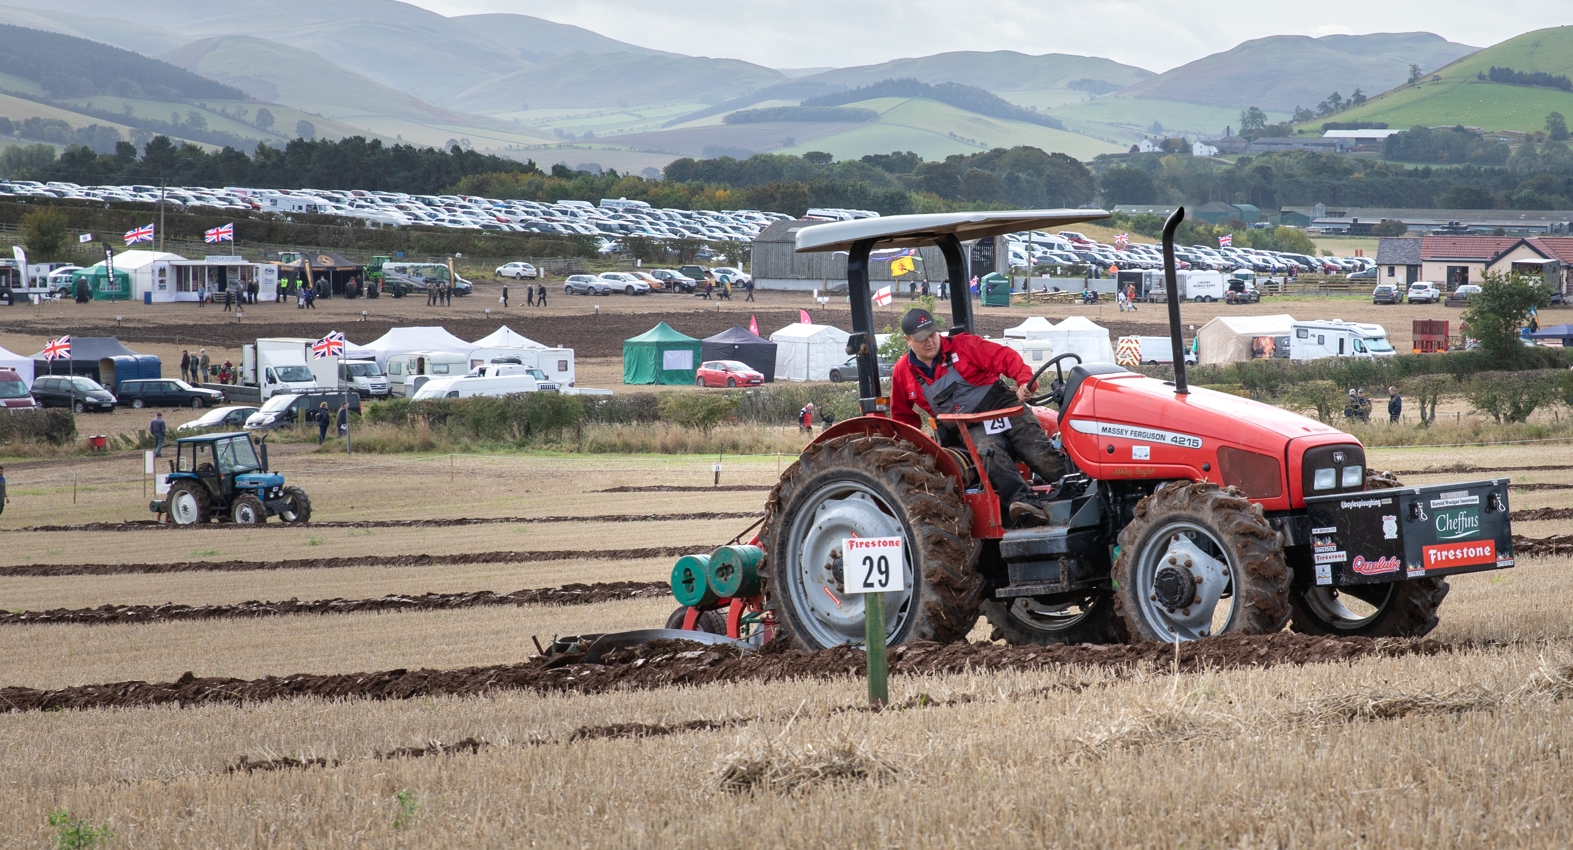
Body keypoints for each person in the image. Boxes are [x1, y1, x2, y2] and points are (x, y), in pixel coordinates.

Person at [890, 308, 1067, 527]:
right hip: (973, 426)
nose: (930, 342)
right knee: (989, 454)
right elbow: (902, 416)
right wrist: (910, 452)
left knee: (1038, 452)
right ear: (907, 340)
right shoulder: (903, 371)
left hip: (1004, 408)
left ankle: (1076, 491)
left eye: (932, 335)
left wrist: (1024, 382)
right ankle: (1026, 505)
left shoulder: (964, 346)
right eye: (921, 339)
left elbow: (1005, 357)